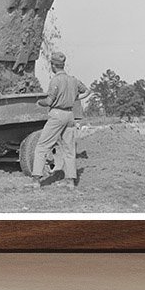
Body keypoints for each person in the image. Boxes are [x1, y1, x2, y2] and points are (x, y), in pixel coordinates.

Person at [32, 50, 90, 188]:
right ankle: (70, 182)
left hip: (57, 115)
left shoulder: (55, 80)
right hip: (70, 115)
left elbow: (49, 101)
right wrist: (75, 98)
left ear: (53, 65)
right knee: (69, 149)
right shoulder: (73, 80)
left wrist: (39, 102)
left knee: (42, 146)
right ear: (63, 65)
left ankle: (36, 181)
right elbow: (87, 91)